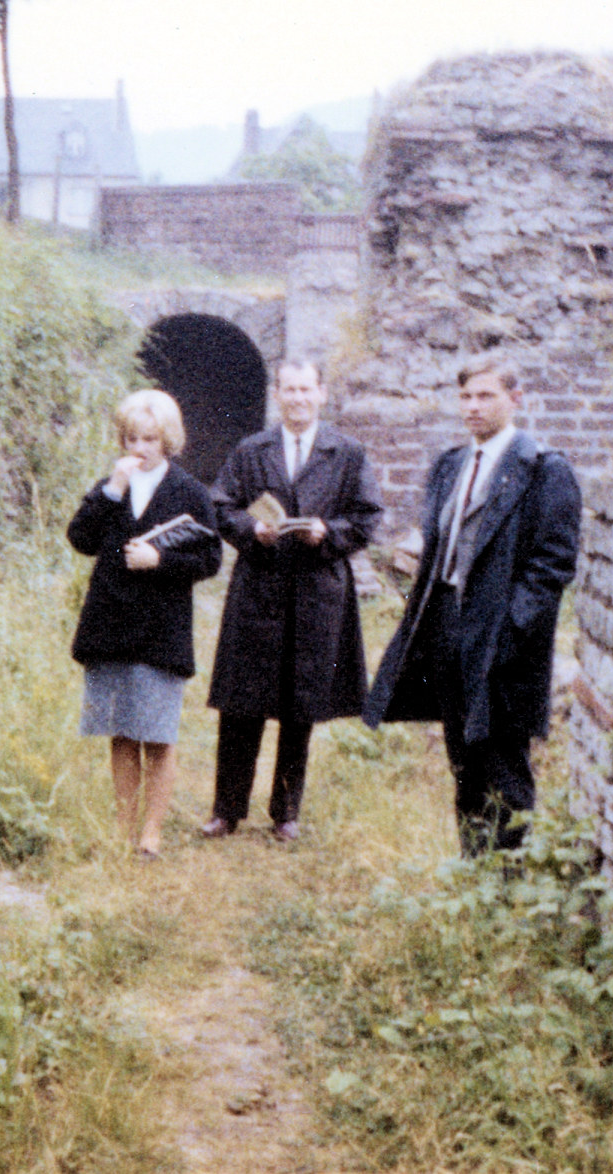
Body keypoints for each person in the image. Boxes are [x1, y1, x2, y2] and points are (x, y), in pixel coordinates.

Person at [363, 356, 582, 855]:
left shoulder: (545, 469)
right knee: (462, 754)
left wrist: (511, 627)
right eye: (465, 396)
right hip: (444, 622)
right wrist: (424, 554)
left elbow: (554, 563)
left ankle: (506, 882)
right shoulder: (451, 465)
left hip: (504, 634)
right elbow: (452, 539)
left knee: (503, 760)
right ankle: (472, 865)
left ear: (515, 398)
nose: (473, 407)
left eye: (486, 396)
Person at [200, 359, 383, 842]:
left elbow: (367, 517)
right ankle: (226, 809)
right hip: (259, 584)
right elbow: (221, 504)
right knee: (242, 700)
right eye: (289, 389)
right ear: (277, 394)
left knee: (301, 702)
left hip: (317, 590)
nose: (298, 398)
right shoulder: (251, 449)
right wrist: (249, 529)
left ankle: (286, 812)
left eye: (306, 389)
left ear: (322, 393)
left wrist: (330, 532)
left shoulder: (346, 452)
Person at [69, 389, 221, 858]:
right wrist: (111, 490)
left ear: (168, 440)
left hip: (160, 628)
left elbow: (210, 558)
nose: (139, 448)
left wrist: (160, 559)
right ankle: (122, 825)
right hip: (110, 623)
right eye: (132, 438)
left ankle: (151, 831)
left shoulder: (190, 491)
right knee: (121, 731)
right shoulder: (111, 487)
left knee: (157, 733)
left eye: (150, 439)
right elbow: (80, 538)